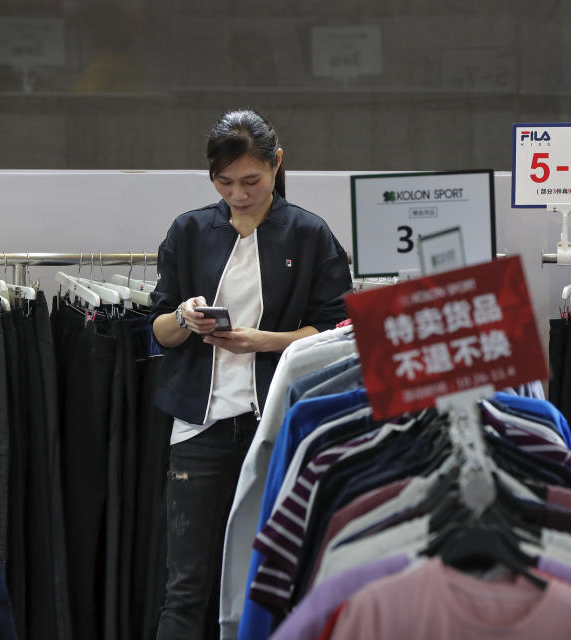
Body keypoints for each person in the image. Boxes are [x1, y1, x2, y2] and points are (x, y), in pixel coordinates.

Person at [149, 109, 352, 639]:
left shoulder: (309, 234)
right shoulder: (190, 231)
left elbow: (338, 331)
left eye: (251, 181)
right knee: (187, 585)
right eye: (225, 183)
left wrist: (267, 342)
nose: (238, 194)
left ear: (277, 165)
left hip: (280, 426)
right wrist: (186, 319)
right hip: (200, 428)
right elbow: (159, 331)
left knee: (283, 577)